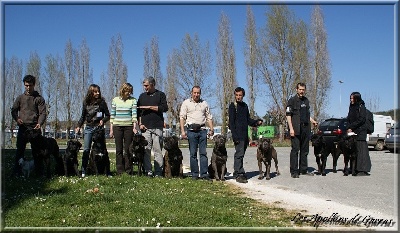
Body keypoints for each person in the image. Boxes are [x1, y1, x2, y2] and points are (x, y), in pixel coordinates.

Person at [11, 75, 47, 177]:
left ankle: (39, 173)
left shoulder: (39, 99)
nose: (28, 87)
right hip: (23, 128)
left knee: (37, 152)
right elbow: (13, 110)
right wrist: (17, 119)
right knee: (20, 151)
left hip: (35, 129)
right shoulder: (20, 98)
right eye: (26, 85)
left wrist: (40, 123)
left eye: (30, 85)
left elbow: (43, 113)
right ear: (24, 85)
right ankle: (16, 172)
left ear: (34, 85)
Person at [228, 87, 263, 183]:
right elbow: (231, 123)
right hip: (237, 135)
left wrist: (256, 122)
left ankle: (237, 171)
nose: (238, 97)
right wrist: (234, 136)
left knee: (241, 154)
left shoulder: (245, 106)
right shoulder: (232, 106)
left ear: (243, 96)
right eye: (237, 95)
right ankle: (239, 174)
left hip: (244, 135)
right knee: (238, 154)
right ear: (234, 95)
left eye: (240, 95)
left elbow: (248, 120)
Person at [75, 84, 111, 178]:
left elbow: (108, 115)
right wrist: (78, 126)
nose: (98, 93)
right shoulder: (85, 102)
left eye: (98, 91)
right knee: (86, 149)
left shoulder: (102, 102)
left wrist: (103, 120)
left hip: (99, 129)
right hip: (89, 128)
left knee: (103, 150)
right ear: (91, 92)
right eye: (95, 92)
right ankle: (83, 170)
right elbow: (83, 116)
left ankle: (106, 171)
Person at [179, 86, 214, 181]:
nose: (196, 95)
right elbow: (182, 117)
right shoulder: (186, 103)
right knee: (193, 154)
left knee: (203, 153)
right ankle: (194, 174)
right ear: (191, 93)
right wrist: (183, 131)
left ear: (200, 93)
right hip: (191, 131)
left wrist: (211, 129)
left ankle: (204, 174)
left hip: (202, 130)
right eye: (194, 93)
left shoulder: (204, 103)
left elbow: (209, 117)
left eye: (198, 93)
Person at [137, 77, 168, 177]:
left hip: (157, 126)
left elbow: (165, 108)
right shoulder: (142, 96)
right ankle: (148, 171)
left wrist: (150, 107)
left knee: (157, 150)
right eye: (144, 85)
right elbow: (138, 112)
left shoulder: (160, 95)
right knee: (146, 149)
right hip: (145, 128)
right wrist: (140, 124)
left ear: (152, 85)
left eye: (146, 85)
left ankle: (158, 172)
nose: (144, 87)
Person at [286, 82, 318, 178]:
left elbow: (307, 115)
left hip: (305, 129)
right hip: (295, 129)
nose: (301, 91)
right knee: (295, 150)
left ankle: (303, 170)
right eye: (300, 89)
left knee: (305, 150)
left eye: (303, 90)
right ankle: (294, 171)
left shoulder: (306, 101)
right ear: (296, 89)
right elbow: (288, 115)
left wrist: (313, 121)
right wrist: (291, 128)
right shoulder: (292, 101)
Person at [109, 83, 138, 175]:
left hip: (129, 127)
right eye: (127, 91)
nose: (129, 93)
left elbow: (134, 115)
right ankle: (120, 171)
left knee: (128, 149)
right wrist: (111, 130)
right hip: (117, 126)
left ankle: (128, 170)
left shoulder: (133, 100)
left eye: (130, 91)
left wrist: (134, 127)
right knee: (119, 149)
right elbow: (112, 115)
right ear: (123, 90)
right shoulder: (115, 100)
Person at [346, 92, 371, 176]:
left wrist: (351, 126)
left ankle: (362, 170)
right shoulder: (351, 107)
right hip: (353, 132)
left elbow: (362, 119)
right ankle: (354, 168)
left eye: (352, 98)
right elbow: (349, 118)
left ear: (357, 98)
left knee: (361, 151)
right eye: (350, 98)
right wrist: (348, 127)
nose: (351, 100)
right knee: (353, 151)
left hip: (360, 132)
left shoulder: (361, 107)